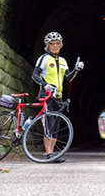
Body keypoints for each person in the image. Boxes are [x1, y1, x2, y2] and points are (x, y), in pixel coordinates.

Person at [31, 31, 84, 163]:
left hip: (58, 96)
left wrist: (76, 70)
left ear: (61, 45)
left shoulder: (63, 61)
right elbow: (35, 75)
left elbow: (68, 78)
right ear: (47, 46)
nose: (55, 46)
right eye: (52, 44)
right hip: (46, 94)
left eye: (57, 43)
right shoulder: (44, 58)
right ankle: (48, 154)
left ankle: (52, 154)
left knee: (56, 126)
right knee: (48, 124)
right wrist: (45, 85)